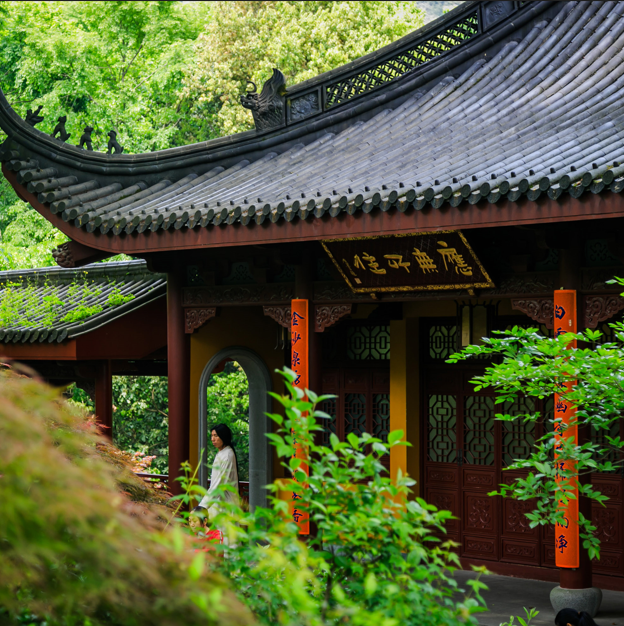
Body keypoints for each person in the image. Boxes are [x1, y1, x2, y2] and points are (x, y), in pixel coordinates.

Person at [196, 423, 240, 521]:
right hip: (219, 504)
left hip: (226, 506)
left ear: (224, 437)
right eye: (212, 436)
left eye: (216, 436)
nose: (212, 439)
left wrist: (202, 507)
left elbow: (218, 485)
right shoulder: (222, 453)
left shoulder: (227, 455)